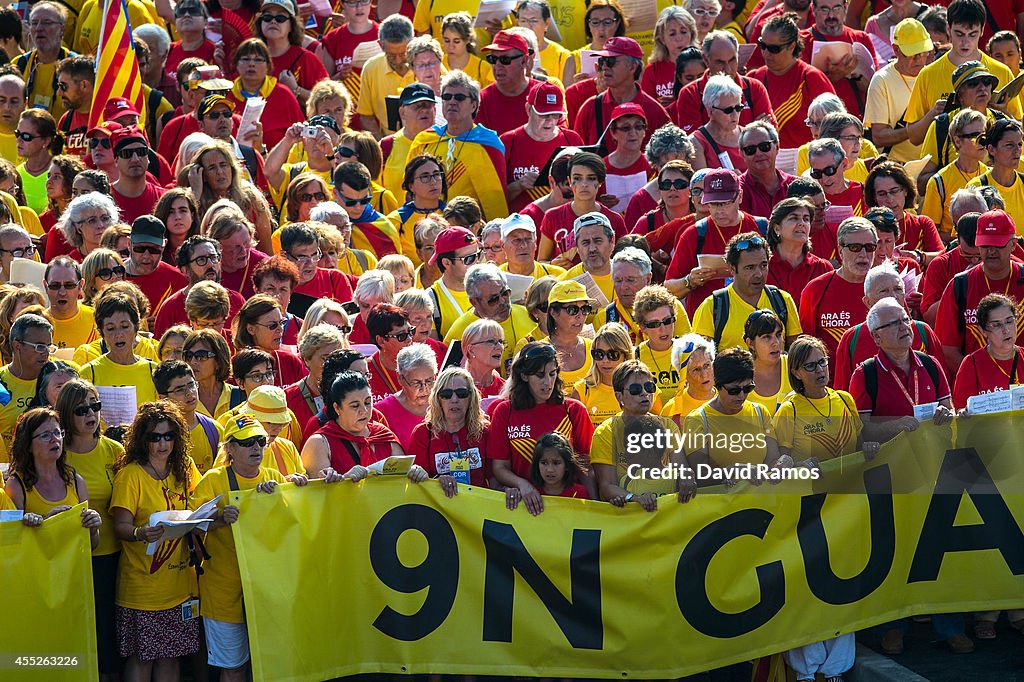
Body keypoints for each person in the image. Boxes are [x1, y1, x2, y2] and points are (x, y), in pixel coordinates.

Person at [774, 335, 873, 682]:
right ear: (796, 372)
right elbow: (780, 457)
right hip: (807, 513)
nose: (821, 370)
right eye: (811, 365)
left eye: (824, 362)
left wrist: (871, 446)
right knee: (808, 590)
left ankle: (835, 670)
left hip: (847, 509)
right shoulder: (788, 409)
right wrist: (791, 462)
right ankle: (805, 670)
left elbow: (859, 443)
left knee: (843, 586)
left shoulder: (844, 400)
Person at [192, 413, 306, 682]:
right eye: (246, 443)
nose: (256, 448)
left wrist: (292, 491)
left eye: (260, 441)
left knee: (269, 663)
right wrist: (220, 520)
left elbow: (296, 526)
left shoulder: (274, 477)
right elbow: (193, 526)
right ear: (229, 448)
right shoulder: (213, 480)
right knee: (233, 668)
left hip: (268, 590)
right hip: (223, 590)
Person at [109, 400, 202, 680]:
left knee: (170, 658)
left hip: (180, 586)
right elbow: (120, 526)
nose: (163, 443)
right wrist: (140, 533)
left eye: (169, 436)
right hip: (142, 589)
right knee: (142, 660)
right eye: (155, 437)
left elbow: (200, 503)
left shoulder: (184, 467)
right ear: (142, 439)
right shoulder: (131, 475)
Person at [56, 379, 125, 678]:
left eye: (95, 406)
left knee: (109, 632)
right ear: (67, 415)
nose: (91, 414)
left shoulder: (114, 450)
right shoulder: (56, 452)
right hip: (72, 558)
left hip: (114, 555)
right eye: (81, 409)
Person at [487, 342, 595, 511]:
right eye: (540, 375)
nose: (548, 382)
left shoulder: (574, 410)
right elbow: (499, 468)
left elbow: (586, 467)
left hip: (568, 506)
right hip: (525, 505)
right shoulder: (504, 411)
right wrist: (522, 485)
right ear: (524, 376)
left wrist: (596, 508)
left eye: (552, 374)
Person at [664, 168, 769, 317]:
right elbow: (668, 288)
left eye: (725, 203)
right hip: (709, 322)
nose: (719, 211)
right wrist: (690, 281)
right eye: (713, 204)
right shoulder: (694, 234)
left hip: (757, 319)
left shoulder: (761, 227)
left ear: (740, 197)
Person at [905, 0, 1022, 127]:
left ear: (982, 30)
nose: (965, 43)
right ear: (948, 29)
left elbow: (1019, 131)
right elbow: (913, 137)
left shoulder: (1002, 72)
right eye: (959, 34)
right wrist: (933, 114)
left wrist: (1002, 113)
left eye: (972, 35)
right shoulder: (927, 74)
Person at [591, 359, 686, 511]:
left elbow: (682, 470)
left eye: (649, 387)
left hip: (666, 512)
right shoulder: (605, 432)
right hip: (626, 515)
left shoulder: (668, 426)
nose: (645, 393)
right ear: (619, 396)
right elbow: (607, 485)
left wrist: (687, 480)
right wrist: (636, 499)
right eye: (636, 389)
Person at [935, 209, 1024, 372]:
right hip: (979, 391)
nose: (991, 251)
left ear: (1013, 244)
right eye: (985, 244)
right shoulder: (959, 285)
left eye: (998, 244)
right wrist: (981, 378)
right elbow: (947, 349)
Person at [833, 262, 943, 391]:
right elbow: (842, 392)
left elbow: (943, 384)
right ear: (867, 301)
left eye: (898, 289)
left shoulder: (922, 331)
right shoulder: (852, 339)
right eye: (883, 291)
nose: (893, 296)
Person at [301, 370, 428, 480]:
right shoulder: (319, 443)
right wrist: (344, 480)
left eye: (368, 402)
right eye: (355, 406)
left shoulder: (383, 435)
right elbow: (316, 495)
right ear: (337, 408)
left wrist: (415, 472)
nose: (364, 410)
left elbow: (404, 479)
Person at [5, 405, 101, 547]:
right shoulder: (16, 485)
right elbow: (12, 543)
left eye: (57, 432)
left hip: (74, 568)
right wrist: (47, 523)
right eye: (45, 435)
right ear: (28, 445)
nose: (54, 439)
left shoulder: (75, 480)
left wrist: (93, 529)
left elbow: (91, 546)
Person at [799, 217, 878, 375]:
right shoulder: (816, 289)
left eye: (869, 247)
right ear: (840, 251)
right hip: (833, 387)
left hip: (881, 384)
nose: (863, 254)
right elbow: (805, 346)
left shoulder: (887, 285)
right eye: (855, 247)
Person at [745, 13, 835, 149]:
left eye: (774, 49)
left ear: (792, 46)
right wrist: (752, 129)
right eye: (762, 45)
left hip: (806, 162)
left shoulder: (811, 78)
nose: (766, 53)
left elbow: (836, 126)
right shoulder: (753, 79)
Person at [573, 37, 670, 153]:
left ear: (633, 67)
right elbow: (576, 156)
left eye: (611, 61)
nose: (604, 67)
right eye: (602, 61)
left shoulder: (655, 112)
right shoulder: (590, 108)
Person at [500, 82, 584, 213]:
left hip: (564, 223)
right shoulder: (508, 142)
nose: (550, 121)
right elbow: (493, 198)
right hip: (521, 226)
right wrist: (519, 185)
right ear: (528, 109)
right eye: (543, 114)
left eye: (556, 114)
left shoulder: (572, 140)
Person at [864, 19, 938, 165]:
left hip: (931, 165)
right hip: (896, 168)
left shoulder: (932, 75)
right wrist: (917, 128)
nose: (918, 59)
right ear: (896, 50)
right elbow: (879, 137)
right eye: (912, 53)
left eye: (922, 52)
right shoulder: (881, 80)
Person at [674, 31, 775, 137]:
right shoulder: (690, 93)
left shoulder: (755, 88)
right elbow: (695, 144)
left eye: (732, 60)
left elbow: (770, 136)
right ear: (706, 60)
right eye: (720, 62)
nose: (727, 69)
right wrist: (753, 132)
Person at [407, 365, 488, 494]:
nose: (454, 400)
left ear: (471, 397)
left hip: (478, 508)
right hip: (439, 508)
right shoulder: (423, 433)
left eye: (462, 394)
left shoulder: (485, 431)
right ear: (438, 398)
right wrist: (435, 481)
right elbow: (416, 484)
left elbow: (496, 478)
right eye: (447, 394)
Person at [81, 293, 158, 422]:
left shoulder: (153, 371)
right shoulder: (88, 373)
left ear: (136, 327)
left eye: (125, 326)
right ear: (101, 333)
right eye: (110, 328)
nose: (119, 334)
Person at [444, 263, 533, 375]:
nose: (502, 301)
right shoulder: (460, 332)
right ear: (474, 302)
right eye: (493, 299)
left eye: (505, 293)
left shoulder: (528, 315)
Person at [538, 152, 627, 264]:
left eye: (591, 178)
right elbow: (541, 262)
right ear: (569, 181)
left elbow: (624, 261)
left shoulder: (615, 219)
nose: (584, 184)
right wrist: (553, 265)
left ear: (600, 182)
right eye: (577, 178)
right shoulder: (552, 216)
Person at [153, 236, 245, 338]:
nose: (210, 264)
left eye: (214, 258)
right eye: (201, 260)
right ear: (185, 270)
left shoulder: (236, 300)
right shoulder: (171, 307)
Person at [920, 109, 988, 240]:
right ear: (957, 141)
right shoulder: (939, 182)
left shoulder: (989, 175)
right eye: (975, 136)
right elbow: (929, 233)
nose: (983, 141)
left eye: (985, 135)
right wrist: (966, 238)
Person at [227, 38, 304, 149]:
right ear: (236, 64)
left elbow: (300, 136)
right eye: (245, 59)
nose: (251, 64)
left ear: (268, 65)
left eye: (258, 60)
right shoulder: (226, 94)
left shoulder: (284, 95)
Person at [953, 293, 1024, 409]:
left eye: (1009, 321)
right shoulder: (972, 364)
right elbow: (960, 410)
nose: (1006, 330)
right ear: (983, 331)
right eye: (996, 325)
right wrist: (963, 413)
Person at [865, 162, 943, 265]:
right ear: (874, 197)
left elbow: (943, 258)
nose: (890, 199)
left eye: (894, 191)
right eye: (882, 194)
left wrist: (919, 256)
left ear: (905, 191)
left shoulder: (922, 223)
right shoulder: (865, 227)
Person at [0, 314, 56, 457]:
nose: (46, 353)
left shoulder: (58, 378)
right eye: (39, 347)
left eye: (49, 346)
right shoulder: (1, 382)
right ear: (17, 345)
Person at [154, 360, 224, 474]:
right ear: (163, 398)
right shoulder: (154, 436)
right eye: (180, 389)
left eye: (191, 385)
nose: (189, 393)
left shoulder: (214, 430)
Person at [285, 323, 345, 441]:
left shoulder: (351, 392)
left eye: (337, 357)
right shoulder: (288, 398)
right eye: (325, 358)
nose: (332, 363)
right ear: (306, 359)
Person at [357, 15, 415, 137]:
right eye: (391, 55)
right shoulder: (371, 68)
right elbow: (366, 116)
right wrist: (382, 146)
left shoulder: (428, 64)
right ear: (380, 45)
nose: (398, 60)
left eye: (403, 54)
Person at [766, 198, 833, 301]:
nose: (802, 223)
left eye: (806, 219)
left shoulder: (823, 268)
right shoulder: (763, 266)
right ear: (777, 228)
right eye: (794, 218)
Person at [124, 215, 189, 323]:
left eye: (154, 250)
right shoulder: (111, 274)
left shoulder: (178, 280)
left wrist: (164, 326)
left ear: (164, 246)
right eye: (140, 248)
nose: (146, 255)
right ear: (128, 244)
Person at [232, 295, 307, 387]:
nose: (280, 329)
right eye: (272, 325)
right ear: (251, 329)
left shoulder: (291, 362)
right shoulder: (235, 366)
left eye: (282, 323)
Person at [375, 342, 437, 451]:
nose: (424, 388)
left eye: (429, 381)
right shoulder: (382, 411)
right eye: (416, 383)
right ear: (400, 379)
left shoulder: (444, 403)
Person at [570, 322, 633, 426]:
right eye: (599, 354)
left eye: (612, 355)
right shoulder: (582, 391)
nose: (605, 360)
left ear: (625, 355)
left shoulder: (641, 388)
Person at [389, 153, 448, 262]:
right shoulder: (396, 220)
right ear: (411, 186)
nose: (433, 181)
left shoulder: (452, 215)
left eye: (436, 174)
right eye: (425, 177)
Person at [425, 226, 480, 339]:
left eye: (478, 255)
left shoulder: (489, 288)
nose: (476, 262)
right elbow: (434, 349)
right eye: (469, 258)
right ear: (446, 263)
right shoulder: (430, 300)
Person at [317, 0, 379, 97]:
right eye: (352, 2)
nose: (359, 7)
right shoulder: (332, 39)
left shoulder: (383, 34)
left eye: (364, 1)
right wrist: (340, 76)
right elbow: (323, 87)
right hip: (346, 108)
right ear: (342, 4)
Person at [967, 119, 1024, 221]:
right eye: (1009, 145)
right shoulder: (976, 187)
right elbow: (967, 233)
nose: (1017, 150)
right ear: (992, 149)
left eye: (1020, 144)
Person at [738, 121, 794, 218]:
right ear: (742, 154)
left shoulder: (795, 185)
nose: (758, 153)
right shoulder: (736, 191)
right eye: (750, 150)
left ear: (777, 147)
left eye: (764, 146)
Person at [642, 7, 696, 106]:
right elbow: (647, 109)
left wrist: (678, 101)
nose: (679, 38)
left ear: (691, 34)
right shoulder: (652, 70)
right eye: (672, 34)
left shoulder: (704, 64)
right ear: (662, 39)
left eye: (683, 32)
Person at [45, 255, 98, 351]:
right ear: (45, 286)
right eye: (54, 285)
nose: (62, 292)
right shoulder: (36, 324)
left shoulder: (97, 320)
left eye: (69, 285)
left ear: (80, 286)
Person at [661, 333, 717, 424]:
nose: (704, 374)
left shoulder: (729, 399)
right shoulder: (671, 410)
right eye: (696, 370)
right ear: (684, 375)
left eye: (707, 365)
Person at [54, 191, 120, 262]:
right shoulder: (71, 264)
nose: (100, 225)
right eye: (92, 221)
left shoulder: (122, 254)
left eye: (105, 218)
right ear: (77, 227)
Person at [184, 329, 236, 419]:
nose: (193, 361)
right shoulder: (182, 398)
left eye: (201, 356)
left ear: (219, 361)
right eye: (188, 355)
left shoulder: (238, 396)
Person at [439, 12, 493, 87]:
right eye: (447, 40)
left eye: (456, 41)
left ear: (468, 39)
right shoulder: (437, 65)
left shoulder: (483, 68)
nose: (451, 46)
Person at [459, 319, 506, 400]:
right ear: (471, 350)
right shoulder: (457, 389)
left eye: (501, 341)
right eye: (491, 341)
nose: (500, 347)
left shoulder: (505, 389)